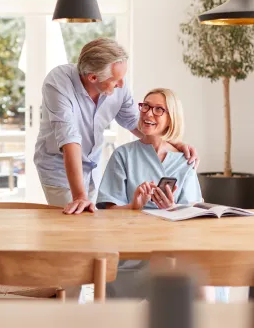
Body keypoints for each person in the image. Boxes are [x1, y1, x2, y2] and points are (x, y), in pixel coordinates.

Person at [34, 38, 199, 215]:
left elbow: (136, 122)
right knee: (73, 222)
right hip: (60, 169)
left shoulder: (119, 84)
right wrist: (80, 196)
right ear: (93, 77)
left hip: (92, 166)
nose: (121, 84)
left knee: (90, 225)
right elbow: (69, 139)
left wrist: (173, 142)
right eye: (115, 80)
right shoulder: (59, 83)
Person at [96, 87, 229, 303]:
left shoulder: (184, 161)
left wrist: (172, 209)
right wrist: (133, 206)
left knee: (200, 273)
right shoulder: (123, 155)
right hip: (136, 248)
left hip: (179, 244)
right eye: (146, 106)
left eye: (159, 110)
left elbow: (195, 214)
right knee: (173, 267)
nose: (148, 113)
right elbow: (106, 212)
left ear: (171, 118)